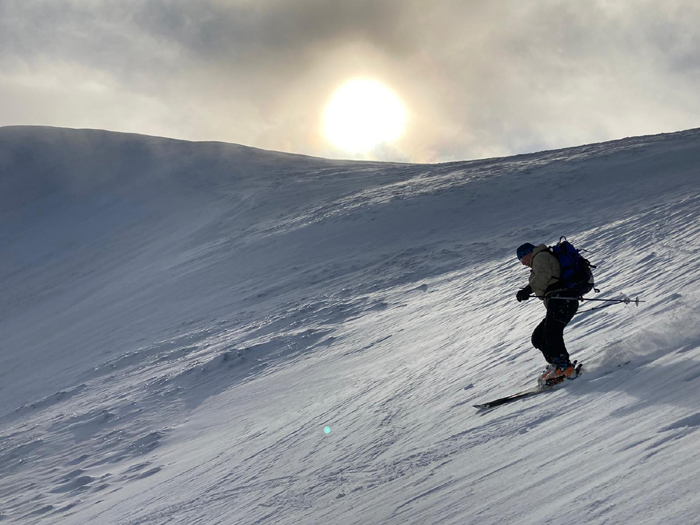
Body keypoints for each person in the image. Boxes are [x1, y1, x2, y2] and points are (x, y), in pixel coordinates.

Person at [515, 242, 579, 385]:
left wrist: (527, 290)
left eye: (521, 259)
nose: (523, 264)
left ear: (527, 253)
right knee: (538, 337)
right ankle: (556, 364)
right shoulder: (540, 259)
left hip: (562, 300)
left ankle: (564, 367)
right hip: (559, 302)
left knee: (551, 333)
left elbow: (543, 275)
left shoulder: (540, 256)